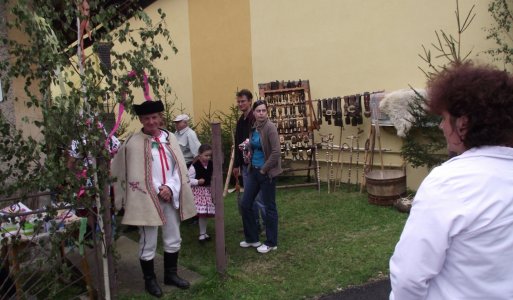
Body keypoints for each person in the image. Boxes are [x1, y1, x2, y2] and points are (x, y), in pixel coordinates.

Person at [389, 63, 513, 300]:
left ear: (462, 124)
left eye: (444, 118)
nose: (441, 126)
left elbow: (409, 277)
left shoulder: (449, 182)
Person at [111, 100, 197, 298]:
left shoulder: (171, 139)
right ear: (141, 120)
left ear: (160, 118)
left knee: (173, 236)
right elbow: (132, 171)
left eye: (154, 117)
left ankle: (171, 275)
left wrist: (170, 187)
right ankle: (149, 280)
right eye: (147, 118)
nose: (151, 121)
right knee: (148, 240)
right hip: (147, 197)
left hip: (171, 194)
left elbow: (179, 168)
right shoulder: (133, 143)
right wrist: (159, 188)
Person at [239, 100, 282, 254]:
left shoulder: (270, 128)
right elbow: (256, 145)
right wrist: (247, 146)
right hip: (253, 171)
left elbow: (276, 152)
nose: (261, 113)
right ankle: (252, 239)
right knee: (246, 204)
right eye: (259, 111)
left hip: (266, 173)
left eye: (264, 110)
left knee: (269, 207)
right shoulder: (254, 127)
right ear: (254, 113)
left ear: (267, 112)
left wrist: (264, 169)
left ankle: (271, 242)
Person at [233, 89, 266, 233]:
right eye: (239, 101)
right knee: (249, 197)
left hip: (257, 164)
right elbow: (238, 143)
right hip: (245, 166)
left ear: (250, 101)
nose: (240, 104)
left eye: (243, 101)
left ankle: (267, 225)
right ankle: (254, 225)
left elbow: (260, 142)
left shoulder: (255, 119)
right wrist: (236, 164)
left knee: (260, 197)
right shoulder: (241, 120)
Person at [188, 144, 215, 242]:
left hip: (207, 191)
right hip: (199, 192)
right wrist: (197, 181)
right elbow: (188, 179)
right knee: (202, 214)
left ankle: (204, 232)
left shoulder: (211, 164)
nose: (208, 158)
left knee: (205, 214)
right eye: (206, 155)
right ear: (199, 155)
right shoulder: (194, 166)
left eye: (209, 156)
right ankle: (202, 234)